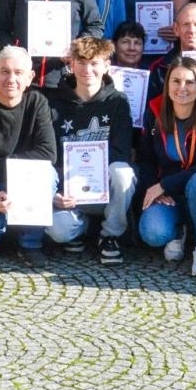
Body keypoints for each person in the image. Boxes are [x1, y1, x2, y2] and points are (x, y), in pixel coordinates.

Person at [0, 46, 60, 266]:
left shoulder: (37, 103)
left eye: (18, 72)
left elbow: (47, 154)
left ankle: (30, 242)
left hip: (25, 184)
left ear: (30, 77)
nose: (11, 79)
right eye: (4, 71)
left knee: (48, 173)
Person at [42, 37, 137, 263]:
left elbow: (121, 151)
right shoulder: (53, 103)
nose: (88, 70)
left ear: (106, 66)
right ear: (71, 64)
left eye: (94, 63)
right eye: (81, 62)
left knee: (123, 172)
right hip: (69, 192)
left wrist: (91, 184)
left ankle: (109, 235)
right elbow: (49, 154)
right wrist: (58, 193)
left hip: (104, 191)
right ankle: (80, 230)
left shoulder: (118, 102)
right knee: (58, 231)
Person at [138, 54, 196, 276]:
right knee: (153, 233)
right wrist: (155, 188)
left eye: (189, 82)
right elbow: (146, 158)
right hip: (168, 195)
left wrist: (165, 184)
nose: (182, 88)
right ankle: (179, 230)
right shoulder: (154, 112)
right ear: (167, 84)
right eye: (176, 81)